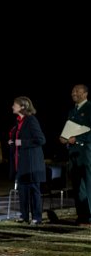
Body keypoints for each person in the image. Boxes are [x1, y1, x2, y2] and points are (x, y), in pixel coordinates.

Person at [8, 96, 46, 225]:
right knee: (22, 191)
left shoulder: (31, 120)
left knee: (34, 191)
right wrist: (13, 141)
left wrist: (20, 142)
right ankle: (24, 215)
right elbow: (18, 139)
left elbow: (40, 140)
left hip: (32, 164)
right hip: (21, 163)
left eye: (15, 104)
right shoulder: (19, 122)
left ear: (22, 107)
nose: (13, 106)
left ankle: (37, 217)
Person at [59, 84, 91, 226]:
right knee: (77, 187)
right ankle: (82, 216)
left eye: (77, 91)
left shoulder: (89, 108)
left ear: (85, 94)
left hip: (87, 153)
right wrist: (64, 139)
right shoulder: (72, 111)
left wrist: (77, 139)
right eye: (72, 91)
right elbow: (69, 130)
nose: (74, 93)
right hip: (74, 154)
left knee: (88, 185)